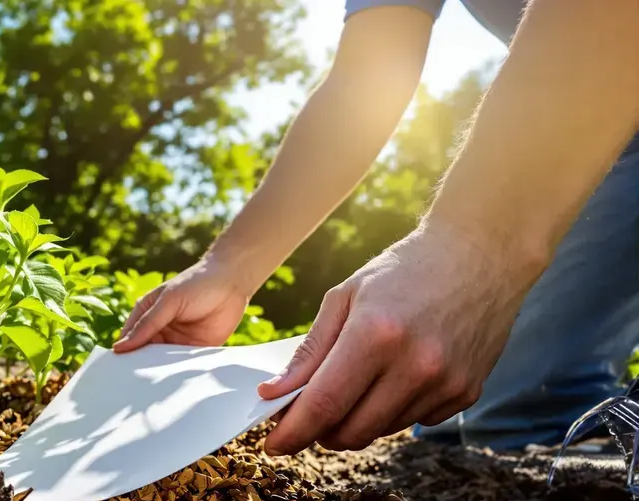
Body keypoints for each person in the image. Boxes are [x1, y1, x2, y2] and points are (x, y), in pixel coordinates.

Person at [113, 0, 639, 454]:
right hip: (593, 121)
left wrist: (475, 249)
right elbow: (365, 82)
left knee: (528, 411)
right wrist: (228, 267)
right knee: (444, 414)